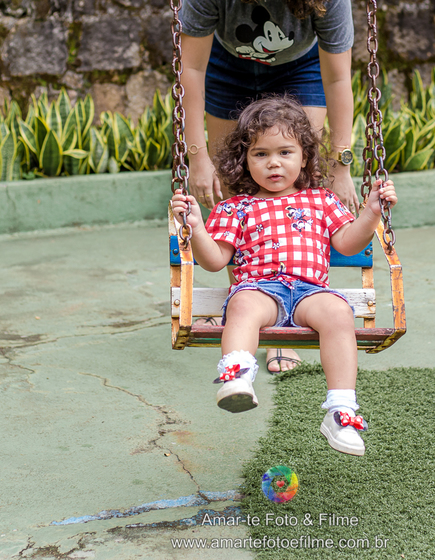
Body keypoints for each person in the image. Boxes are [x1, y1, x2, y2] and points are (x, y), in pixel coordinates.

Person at [178, 0, 359, 375]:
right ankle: (253, 311)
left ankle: (292, 323)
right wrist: (197, 159)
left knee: (298, 176)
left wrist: (342, 163)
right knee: (234, 186)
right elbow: (190, 66)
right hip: (228, 67)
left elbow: (338, 76)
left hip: (300, 68)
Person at [170, 96, 398, 457]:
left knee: (339, 312)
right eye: (260, 154)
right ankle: (237, 375)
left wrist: (370, 213)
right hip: (261, 290)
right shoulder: (235, 208)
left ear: (304, 157)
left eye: (285, 152)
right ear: (244, 160)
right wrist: (196, 227)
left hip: (310, 292)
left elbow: (349, 243)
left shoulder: (322, 201)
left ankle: (341, 410)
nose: (273, 162)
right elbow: (214, 261)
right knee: (242, 303)